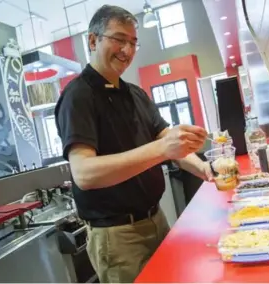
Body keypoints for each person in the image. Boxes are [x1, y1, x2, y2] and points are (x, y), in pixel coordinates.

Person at [54, 5, 213, 283]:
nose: (126, 50)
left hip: (157, 219)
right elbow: (84, 174)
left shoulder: (136, 94)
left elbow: (167, 138)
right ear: (93, 40)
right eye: (118, 39)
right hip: (117, 236)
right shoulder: (77, 96)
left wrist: (204, 169)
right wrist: (162, 149)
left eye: (132, 42)